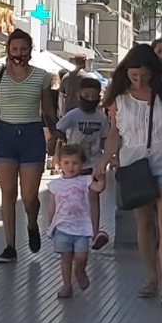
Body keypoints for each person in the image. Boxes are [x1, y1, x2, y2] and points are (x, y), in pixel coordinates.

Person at [106, 43, 162, 307]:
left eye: (143, 75)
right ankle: (152, 276)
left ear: (153, 71)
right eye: (133, 75)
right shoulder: (120, 100)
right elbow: (114, 133)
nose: (138, 80)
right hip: (134, 168)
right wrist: (103, 162)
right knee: (144, 224)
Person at [0, 29, 58, 263]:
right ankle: (9, 246)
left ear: (30, 51)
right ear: (8, 50)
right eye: (15, 49)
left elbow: (48, 110)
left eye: (23, 49)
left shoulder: (42, 77)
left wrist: (53, 135)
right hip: (5, 136)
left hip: (31, 136)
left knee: (29, 197)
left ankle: (31, 223)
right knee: (8, 193)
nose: (19, 54)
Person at [56, 76, 110, 250]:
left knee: (93, 197)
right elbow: (59, 129)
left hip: (94, 163)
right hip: (74, 165)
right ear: (79, 95)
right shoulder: (73, 114)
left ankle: (95, 232)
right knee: (74, 198)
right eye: (86, 95)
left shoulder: (101, 118)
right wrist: (59, 152)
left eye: (94, 97)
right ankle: (72, 230)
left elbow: (105, 139)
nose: (90, 100)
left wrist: (108, 159)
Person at [47, 143, 106, 299]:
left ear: (82, 164)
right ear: (59, 164)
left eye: (75, 163)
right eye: (66, 163)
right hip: (62, 226)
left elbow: (99, 188)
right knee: (65, 257)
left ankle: (80, 270)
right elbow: (52, 204)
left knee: (81, 256)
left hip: (81, 227)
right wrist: (51, 223)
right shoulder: (55, 185)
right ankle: (66, 285)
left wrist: (101, 178)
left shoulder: (85, 181)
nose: (71, 167)